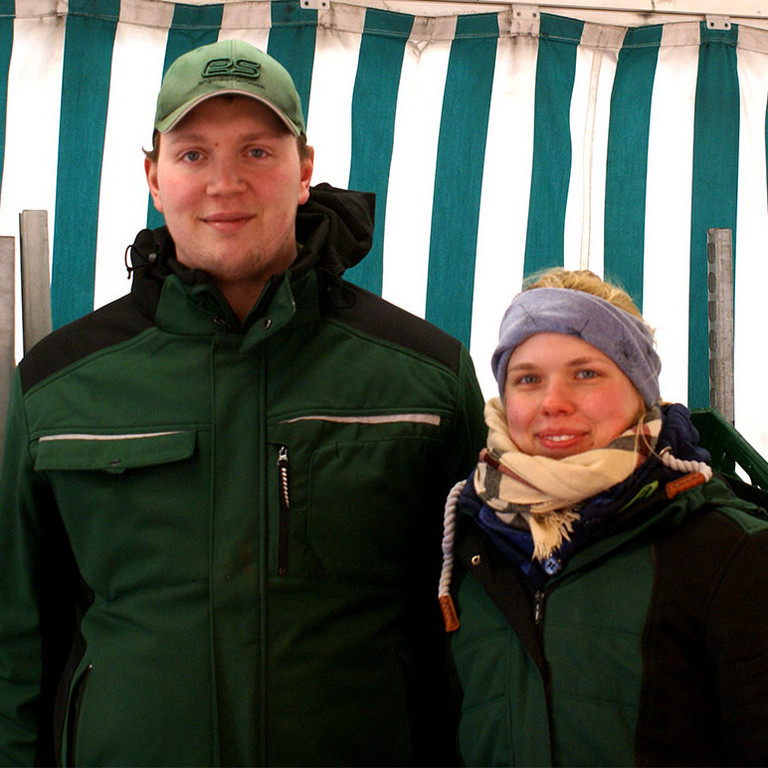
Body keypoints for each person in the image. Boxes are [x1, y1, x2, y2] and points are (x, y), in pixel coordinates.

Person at [0, 40, 486, 766]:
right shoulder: (58, 382)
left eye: (257, 152)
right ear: (153, 177)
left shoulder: (425, 377)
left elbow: (478, 631)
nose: (225, 182)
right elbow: (14, 638)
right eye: (194, 154)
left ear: (305, 170)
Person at [439, 268, 768, 766]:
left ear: (640, 390)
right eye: (528, 379)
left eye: (585, 373)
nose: (553, 403)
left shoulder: (728, 549)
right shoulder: (468, 548)